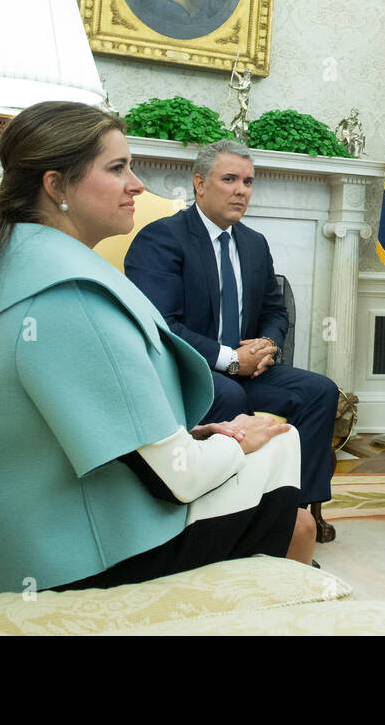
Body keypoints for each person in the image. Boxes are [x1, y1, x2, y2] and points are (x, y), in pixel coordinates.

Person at [0, 102, 314, 593]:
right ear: (57, 186)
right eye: (118, 168)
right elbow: (176, 481)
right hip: (63, 555)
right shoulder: (71, 293)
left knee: (282, 469)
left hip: (24, 530)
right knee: (290, 482)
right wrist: (236, 441)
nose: (137, 185)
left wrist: (201, 436)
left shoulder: (17, 260)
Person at [125, 138, 340, 540]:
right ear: (200, 184)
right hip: (189, 371)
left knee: (319, 391)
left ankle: (297, 514)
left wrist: (267, 347)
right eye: (229, 179)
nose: (241, 190)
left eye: (248, 181)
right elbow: (162, 324)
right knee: (230, 396)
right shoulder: (163, 239)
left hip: (249, 368)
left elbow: (276, 312)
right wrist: (228, 359)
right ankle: (233, 515)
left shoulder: (254, 243)